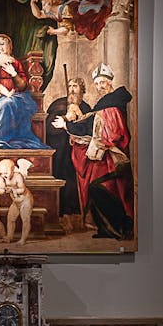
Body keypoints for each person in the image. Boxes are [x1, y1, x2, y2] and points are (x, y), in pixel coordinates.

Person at [75, 63, 134, 240]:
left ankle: (120, 229)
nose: (100, 86)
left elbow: (112, 131)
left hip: (113, 155)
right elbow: (93, 123)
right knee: (97, 189)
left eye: (103, 82)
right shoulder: (105, 103)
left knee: (104, 189)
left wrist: (71, 126)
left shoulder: (113, 102)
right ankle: (105, 229)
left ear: (110, 82)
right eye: (97, 83)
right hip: (104, 156)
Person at [0, 35, 45, 149]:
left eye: (3, 44)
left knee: (5, 104)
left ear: (10, 45)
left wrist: (13, 73)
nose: (1, 48)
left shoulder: (16, 63)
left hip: (16, 94)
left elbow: (23, 85)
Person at [44, 77, 90, 232]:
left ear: (82, 90)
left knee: (74, 186)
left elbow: (88, 129)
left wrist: (73, 123)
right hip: (59, 155)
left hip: (78, 154)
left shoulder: (86, 107)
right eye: (69, 85)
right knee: (61, 182)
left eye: (75, 86)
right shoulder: (59, 104)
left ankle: (78, 218)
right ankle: (61, 217)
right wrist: (65, 118)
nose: (71, 89)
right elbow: (49, 128)